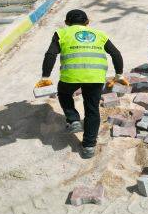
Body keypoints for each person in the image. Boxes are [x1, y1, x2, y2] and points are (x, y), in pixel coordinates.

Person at [35, 9, 127, 159]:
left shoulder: (62, 33)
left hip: (71, 76)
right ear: (87, 22)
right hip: (95, 77)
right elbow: (116, 54)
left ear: (66, 23)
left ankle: (73, 119)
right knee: (92, 110)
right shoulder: (100, 34)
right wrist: (119, 75)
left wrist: (45, 76)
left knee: (64, 93)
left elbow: (51, 54)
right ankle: (89, 147)